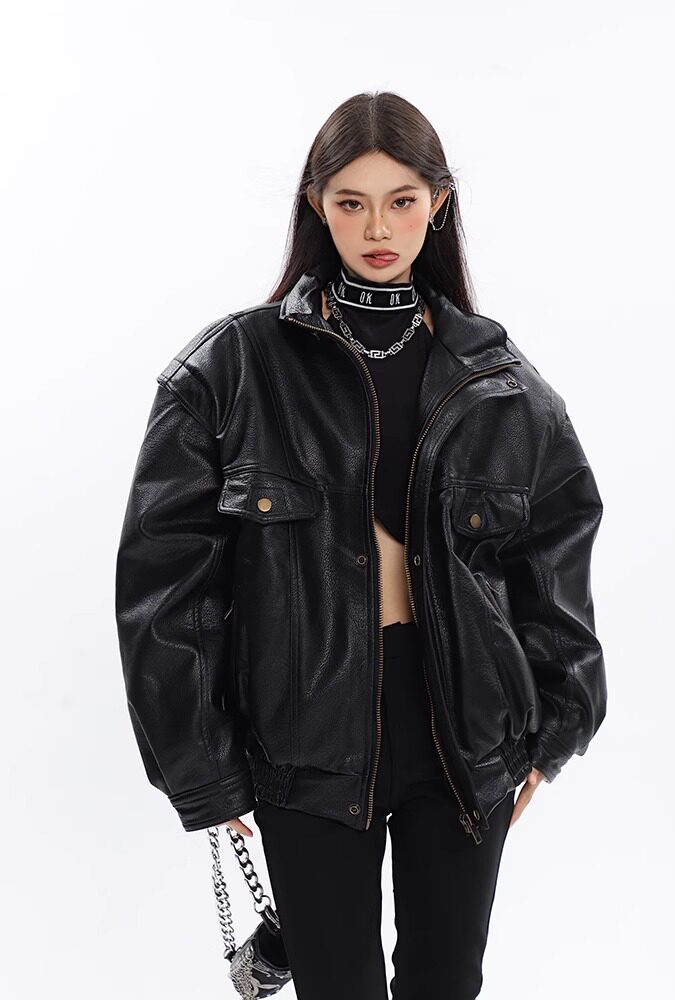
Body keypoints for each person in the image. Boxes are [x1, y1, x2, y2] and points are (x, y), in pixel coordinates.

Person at [115, 90, 607, 1000]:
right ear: (316, 204)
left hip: (465, 736)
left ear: (439, 202)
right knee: (336, 985)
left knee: (446, 981)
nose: (378, 227)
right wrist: (203, 767)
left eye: (402, 200)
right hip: (303, 738)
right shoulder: (231, 371)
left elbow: (555, 559)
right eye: (351, 201)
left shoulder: (502, 384)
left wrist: (559, 724)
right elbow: (163, 588)